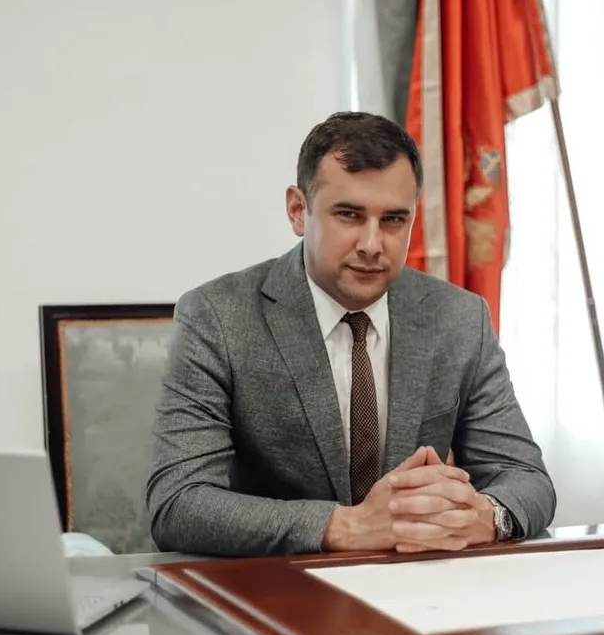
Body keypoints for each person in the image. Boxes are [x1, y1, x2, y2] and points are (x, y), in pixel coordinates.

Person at [145, 111, 555, 557]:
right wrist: (345, 527)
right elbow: (177, 502)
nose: (372, 245)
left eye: (394, 220)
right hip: (279, 584)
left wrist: (483, 516)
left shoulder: (459, 317)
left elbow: (527, 479)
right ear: (298, 210)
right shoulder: (218, 316)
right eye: (349, 215)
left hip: (420, 583)